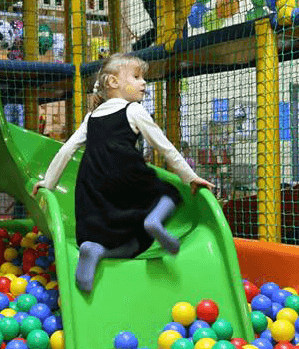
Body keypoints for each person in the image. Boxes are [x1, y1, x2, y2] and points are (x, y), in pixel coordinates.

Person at [32, 53, 214, 293]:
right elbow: (164, 147)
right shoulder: (133, 110)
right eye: (136, 77)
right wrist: (190, 177)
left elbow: (66, 150)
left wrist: (48, 182)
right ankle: (154, 220)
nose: (143, 82)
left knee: (112, 234)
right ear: (113, 82)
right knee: (170, 193)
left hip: (93, 185)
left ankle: (96, 249)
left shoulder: (91, 117)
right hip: (127, 174)